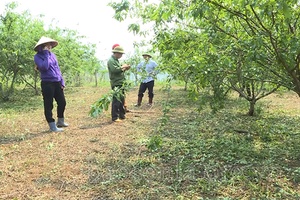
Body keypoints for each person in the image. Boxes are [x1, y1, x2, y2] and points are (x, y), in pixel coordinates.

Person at [33, 36, 68, 132]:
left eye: (50, 45)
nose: (49, 46)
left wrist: (61, 81)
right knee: (48, 105)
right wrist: (45, 53)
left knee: (62, 102)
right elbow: (44, 67)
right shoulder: (38, 57)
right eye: (47, 45)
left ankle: (60, 121)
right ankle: (52, 126)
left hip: (57, 82)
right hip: (47, 83)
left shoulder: (52, 55)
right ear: (42, 46)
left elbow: (57, 68)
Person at [107, 45, 131, 122]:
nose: (121, 56)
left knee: (121, 99)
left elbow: (119, 70)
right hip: (116, 83)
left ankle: (121, 114)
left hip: (121, 82)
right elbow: (115, 70)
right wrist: (122, 67)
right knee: (116, 100)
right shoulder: (111, 61)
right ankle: (115, 117)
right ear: (116, 53)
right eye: (120, 54)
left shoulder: (116, 60)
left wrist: (125, 68)